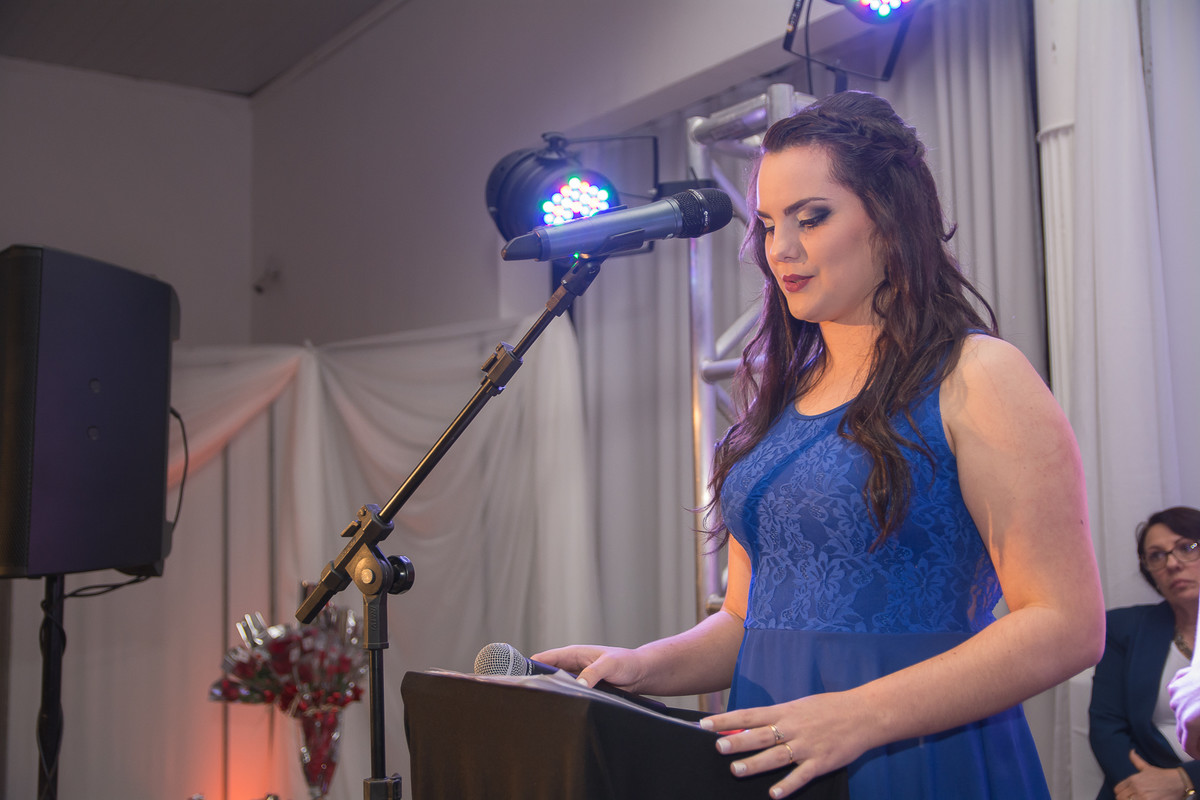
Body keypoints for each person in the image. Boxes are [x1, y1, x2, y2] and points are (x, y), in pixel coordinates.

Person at [534, 90, 1104, 799]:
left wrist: (860, 715)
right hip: (779, 754)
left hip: (914, 758)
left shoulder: (979, 374)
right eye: (769, 224)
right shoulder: (780, 396)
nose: (781, 249)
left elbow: (1066, 623)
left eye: (812, 218)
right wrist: (641, 666)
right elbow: (748, 620)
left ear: (891, 220)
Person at [1092, 506, 1200, 800]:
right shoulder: (1122, 628)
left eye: (1186, 548)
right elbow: (1107, 727)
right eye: (1157, 556)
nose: (1172, 563)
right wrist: (1143, 788)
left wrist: (1186, 781)